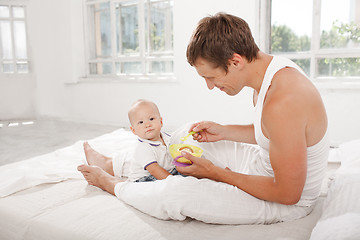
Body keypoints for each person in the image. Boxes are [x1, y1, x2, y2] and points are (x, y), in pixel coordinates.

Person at [77, 12, 329, 224]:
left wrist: (216, 173)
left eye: (211, 77)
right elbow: (275, 134)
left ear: (235, 61)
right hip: (264, 167)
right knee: (184, 136)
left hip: (282, 200)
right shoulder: (270, 70)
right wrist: (224, 131)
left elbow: (288, 194)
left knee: (179, 193)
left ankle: (112, 183)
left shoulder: (284, 101)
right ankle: (116, 163)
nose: (210, 86)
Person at [78, 99, 181, 187]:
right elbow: (154, 170)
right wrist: (173, 181)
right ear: (134, 130)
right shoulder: (143, 148)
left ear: (161, 121)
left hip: (166, 171)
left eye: (151, 119)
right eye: (141, 122)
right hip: (145, 179)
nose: (147, 124)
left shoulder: (168, 138)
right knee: (159, 188)